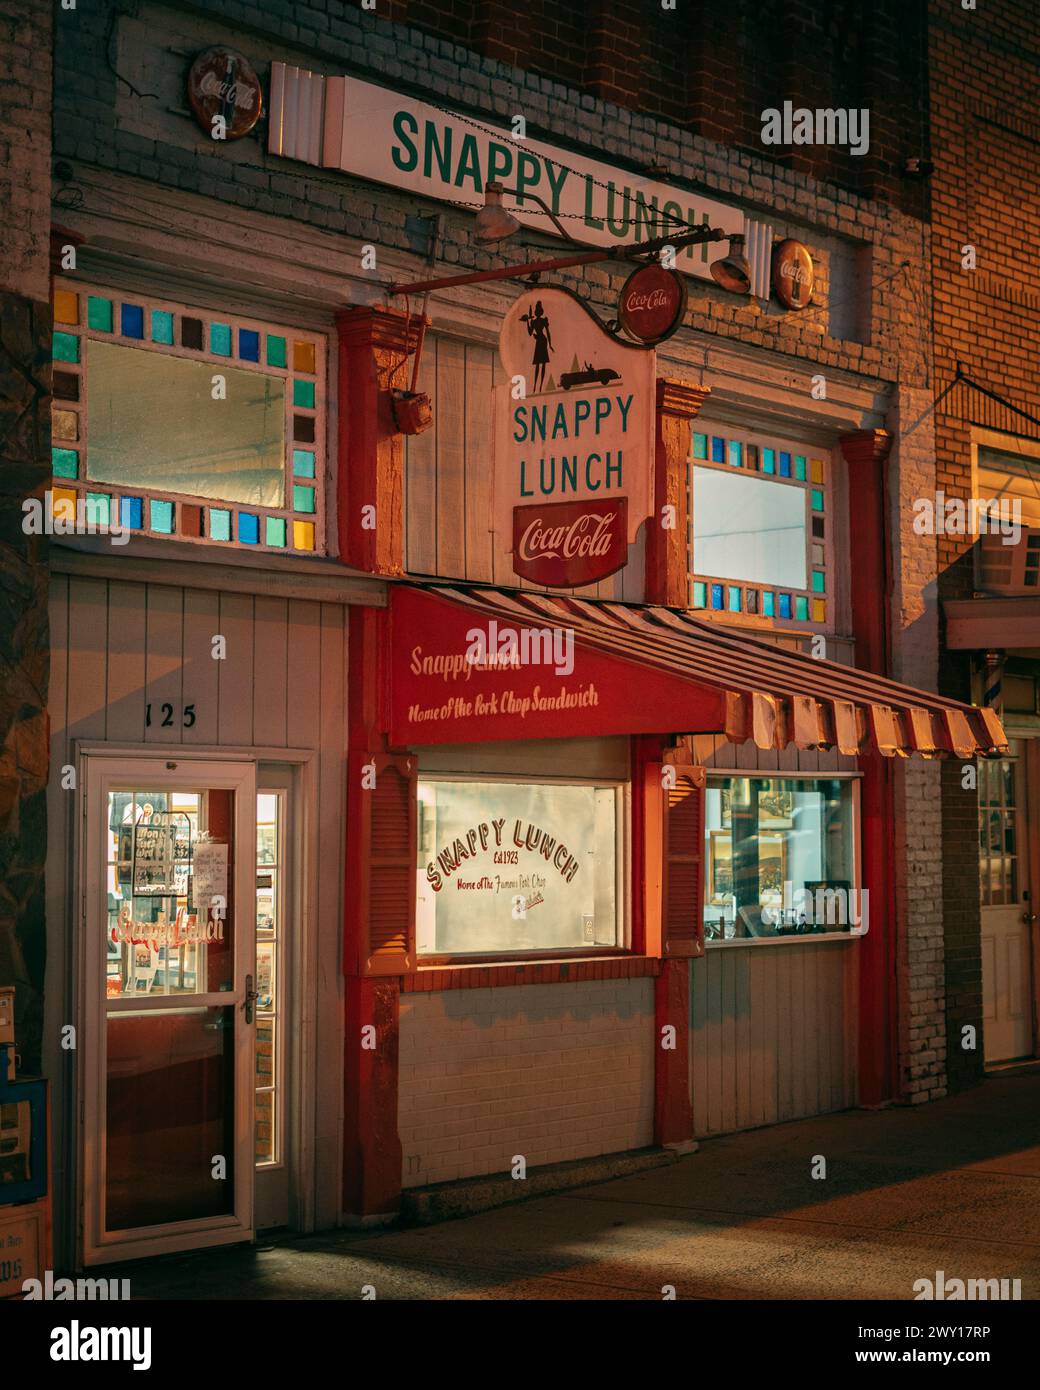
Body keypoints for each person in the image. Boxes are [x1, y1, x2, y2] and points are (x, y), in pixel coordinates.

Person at [525, 300, 553, 392]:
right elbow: (529, 332)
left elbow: (548, 332)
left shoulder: (543, 320)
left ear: (540, 312)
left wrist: (550, 345)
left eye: (538, 310)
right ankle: (535, 385)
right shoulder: (533, 321)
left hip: (543, 340)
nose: (537, 312)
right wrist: (528, 322)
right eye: (536, 310)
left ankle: (541, 386)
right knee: (537, 364)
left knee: (543, 363)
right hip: (539, 341)